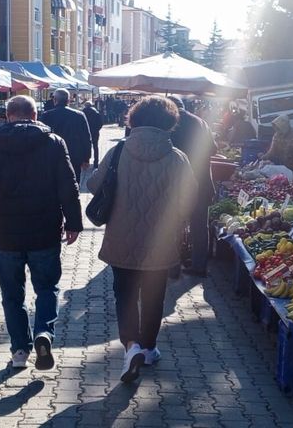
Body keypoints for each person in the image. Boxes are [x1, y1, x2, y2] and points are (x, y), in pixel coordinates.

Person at [87, 96, 196, 383]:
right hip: (161, 242)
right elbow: (190, 199)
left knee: (123, 294)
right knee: (153, 297)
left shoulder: (118, 152)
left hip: (121, 238)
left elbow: (93, 185)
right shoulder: (178, 158)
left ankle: (130, 345)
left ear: (133, 119)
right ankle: (148, 349)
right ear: (170, 122)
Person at [0, 95, 82, 370]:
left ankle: (20, 351)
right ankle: (44, 332)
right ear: (35, 115)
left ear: (8, 116)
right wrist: (73, 222)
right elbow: (68, 186)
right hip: (45, 231)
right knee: (46, 288)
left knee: (12, 294)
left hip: (6, 233)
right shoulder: (54, 143)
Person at [168, 96, 217, 277]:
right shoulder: (201, 122)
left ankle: (172, 267)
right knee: (199, 226)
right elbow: (213, 149)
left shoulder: (169, 122)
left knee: (173, 226)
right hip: (201, 182)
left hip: (176, 185)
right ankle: (199, 266)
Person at [40, 89, 92, 182]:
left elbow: (41, 137)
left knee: (54, 183)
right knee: (74, 181)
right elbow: (86, 137)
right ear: (68, 100)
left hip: (52, 155)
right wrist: (86, 158)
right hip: (74, 156)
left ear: (55, 100)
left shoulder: (46, 115)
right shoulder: (79, 115)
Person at [81, 101, 103, 169]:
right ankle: (96, 162)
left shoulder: (83, 112)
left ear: (85, 105)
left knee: (86, 146)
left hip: (85, 132)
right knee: (95, 147)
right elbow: (100, 123)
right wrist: (97, 129)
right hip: (95, 132)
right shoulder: (96, 112)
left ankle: (86, 161)